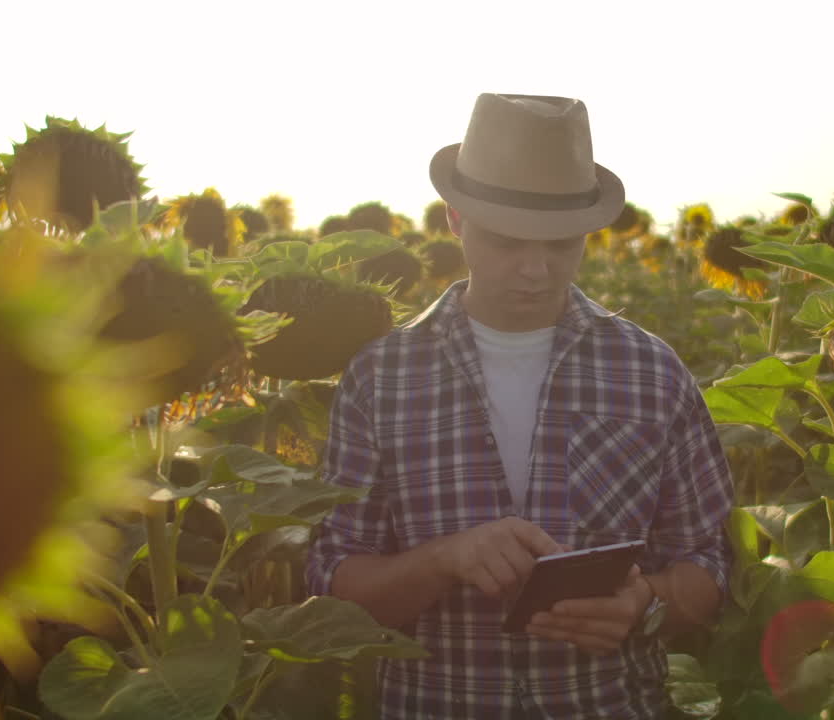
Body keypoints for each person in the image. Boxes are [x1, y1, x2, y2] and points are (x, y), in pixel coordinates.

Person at [305, 93, 734, 719]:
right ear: (454, 219)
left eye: (561, 244)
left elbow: (710, 560)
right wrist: (443, 559)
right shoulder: (383, 378)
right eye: (509, 241)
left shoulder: (652, 373)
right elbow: (333, 586)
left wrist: (647, 603)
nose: (536, 268)